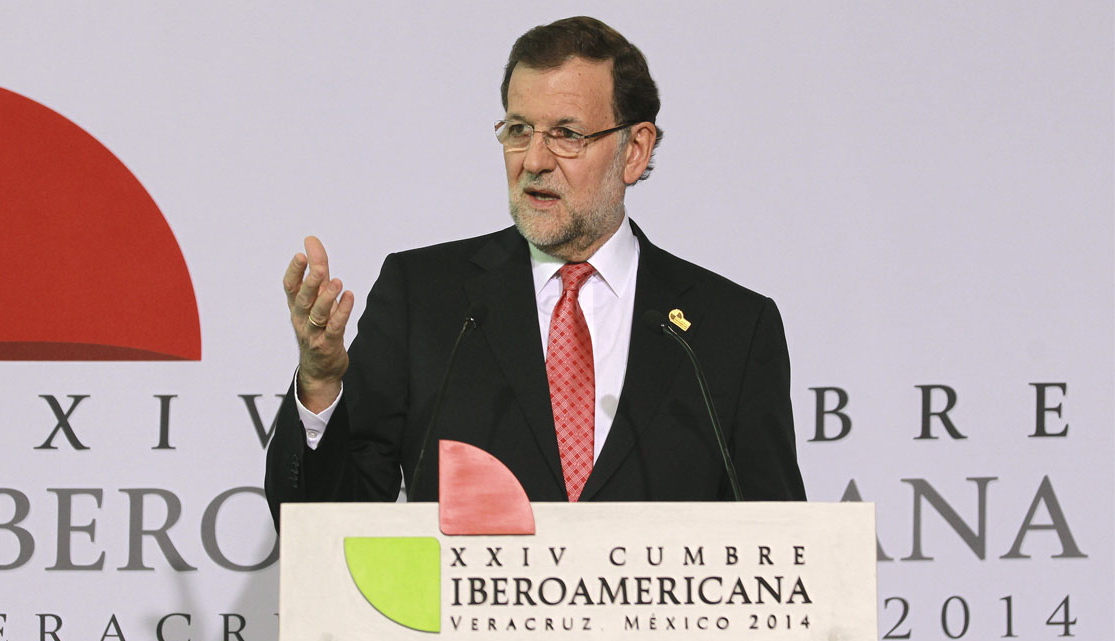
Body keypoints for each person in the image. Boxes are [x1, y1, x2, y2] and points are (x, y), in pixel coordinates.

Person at [265, 16, 805, 530]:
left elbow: (778, 550)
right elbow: (329, 526)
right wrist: (319, 385)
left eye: (567, 134)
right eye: (520, 129)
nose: (535, 160)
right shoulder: (426, 299)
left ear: (634, 151)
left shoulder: (731, 329)